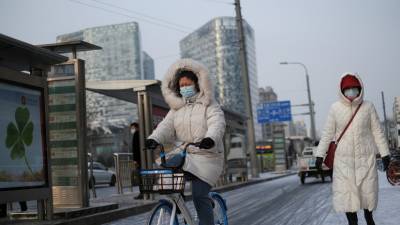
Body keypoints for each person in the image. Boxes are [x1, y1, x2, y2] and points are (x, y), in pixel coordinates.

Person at [145, 58, 226, 225]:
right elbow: (165, 126)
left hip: (207, 157)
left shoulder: (209, 105)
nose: (184, 87)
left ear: (197, 84)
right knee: (167, 173)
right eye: (181, 85)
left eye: (188, 84)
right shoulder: (176, 109)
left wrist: (210, 139)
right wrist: (154, 139)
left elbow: (217, 123)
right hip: (185, 154)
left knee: (199, 195)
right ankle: (179, 207)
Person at [315, 73, 391, 225]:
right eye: (347, 89)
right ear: (342, 91)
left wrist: (385, 153)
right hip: (343, 161)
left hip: (366, 159)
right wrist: (319, 155)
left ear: (359, 89)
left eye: (354, 88)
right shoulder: (335, 108)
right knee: (348, 195)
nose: (351, 91)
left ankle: (369, 219)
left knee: (367, 194)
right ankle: (353, 222)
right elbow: (327, 134)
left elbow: (377, 131)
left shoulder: (368, 107)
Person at [130, 122, 143, 200]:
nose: (131, 130)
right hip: (143, 159)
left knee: (140, 177)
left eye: (132, 128)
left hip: (139, 160)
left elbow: (135, 149)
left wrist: (135, 160)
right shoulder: (141, 134)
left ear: (136, 127)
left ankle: (142, 193)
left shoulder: (136, 135)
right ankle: (144, 192)